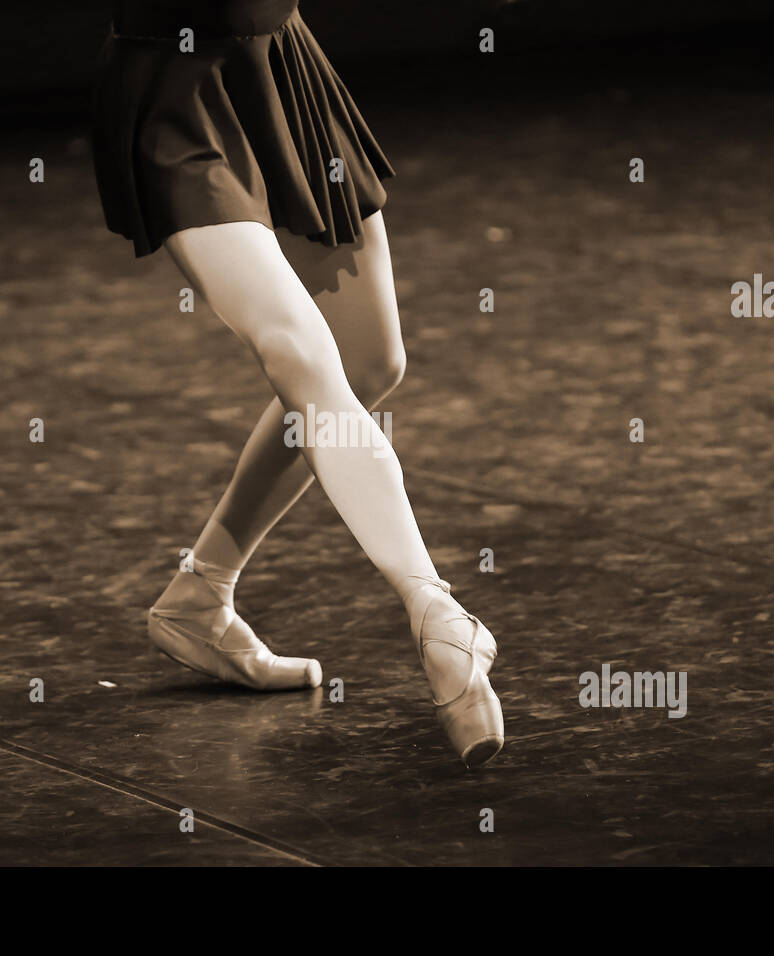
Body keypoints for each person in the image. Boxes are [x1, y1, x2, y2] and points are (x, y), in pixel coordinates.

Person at [92, 0, 503, 766]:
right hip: (174, 86)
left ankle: (199, 594)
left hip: (279, 63)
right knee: (302, 357)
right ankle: (434, 609)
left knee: (370, 363)